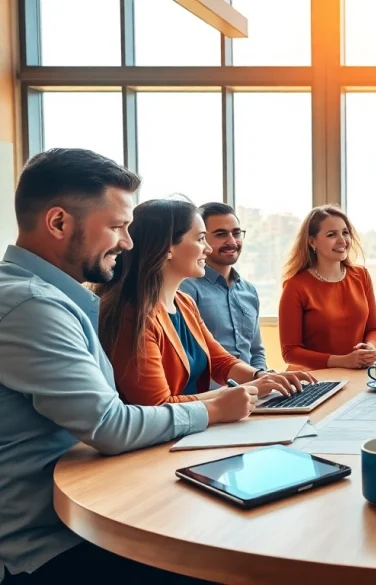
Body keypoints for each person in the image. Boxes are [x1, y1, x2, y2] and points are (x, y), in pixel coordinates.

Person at [0, 149, 253, 584]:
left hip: (93, 509)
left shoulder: (52, 299)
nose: (128, 242)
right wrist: (213, 410)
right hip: (56, 542)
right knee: (232, 565)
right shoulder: (32, 306)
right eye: (117, 226)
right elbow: (110, 426)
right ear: (58, 223)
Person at [95, 197, 314, 406]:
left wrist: (264, 377)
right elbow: (157, 406)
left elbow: (221, 361)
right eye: (201, 239)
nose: (207, 249)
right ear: (168, 248)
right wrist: (247, 390)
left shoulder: (183, 302)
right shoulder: (132, 315)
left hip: (195, 426)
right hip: (163, 438)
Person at [279, 205, 376, 370]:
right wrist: (343, 361)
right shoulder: (296, 286)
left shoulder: (361, 275)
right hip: (314, 379)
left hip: (358, 373)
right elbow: (290, 352)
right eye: (331, 234)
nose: (342, 240)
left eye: (345, 232)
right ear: (312, 241)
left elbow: (373, 329)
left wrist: (371, 347)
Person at [179, 202, 270, 388]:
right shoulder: (186, 289)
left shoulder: (249, 291)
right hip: (212, 398)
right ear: (202, 239)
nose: (232, 241)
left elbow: (255, 350)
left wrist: (265, 380)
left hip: (254, 390)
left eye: (236, 233)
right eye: (221, 234)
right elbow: (188, 356)